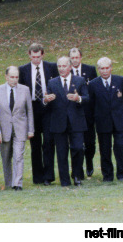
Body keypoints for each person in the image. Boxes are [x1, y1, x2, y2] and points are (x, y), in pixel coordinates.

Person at [42, 55, 88, 186]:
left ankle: (77, 175)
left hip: (76, 121)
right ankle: (64, 180)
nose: (61, 69)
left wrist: (78, 98)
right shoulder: (52, 82)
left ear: (70, 67)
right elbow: (46, 99)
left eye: (64, 66)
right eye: (59, 66)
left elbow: (87, 98)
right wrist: (46, 100)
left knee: (78, 148)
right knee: (61, 152)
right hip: (59, 122)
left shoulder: (79, 81)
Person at [18, 42, 58, 185]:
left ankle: (48, 176)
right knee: (35, 144)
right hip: (32, 108)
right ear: (29, 55)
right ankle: (38, 176)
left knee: (48, 142)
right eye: (33, 56)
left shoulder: (51, 67)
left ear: (42, 55)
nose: (36, 59)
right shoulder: (22, 70)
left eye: (38, 56)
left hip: (47, 107)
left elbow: (57, 86)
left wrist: (51, 96)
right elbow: (20, 91)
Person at [0, 65, 34, 190]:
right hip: (4, 130)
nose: (14, 80)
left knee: (18, 156)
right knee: (6, 157)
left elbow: (29, 110)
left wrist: (31, 129)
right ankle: (9, 182)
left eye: (16, 77)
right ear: (6, 77)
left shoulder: (25, 90)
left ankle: (17, 183)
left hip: (20, 128)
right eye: (12, 77)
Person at [87, 56, 123, 182]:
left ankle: (121, 174)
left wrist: (118, 112)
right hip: (102, 121)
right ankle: (107, 175)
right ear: (98, 69)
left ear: (111, 68)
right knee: (105, 149)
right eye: (102, 69)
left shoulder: (120, 80)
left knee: (120, 147)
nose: (105, 71)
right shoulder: (93, 84)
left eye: (107, 68)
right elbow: (91, 104)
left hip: (119, 121)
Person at [70, 46, 98, 179]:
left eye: (77, 57)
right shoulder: (65, 71)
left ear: (80, 57)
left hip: (88, 111)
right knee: (76, 143)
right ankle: (77, 168)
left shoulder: (90, 70)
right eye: (72, 58)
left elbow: (95, 90)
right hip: (72, 111)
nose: (74, 60)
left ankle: (89, 161)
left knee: (90, 142)